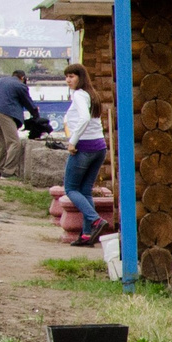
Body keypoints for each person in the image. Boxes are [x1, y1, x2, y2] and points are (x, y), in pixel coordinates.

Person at [58, 64, 108, 243]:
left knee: (70, 188)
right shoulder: (91, 94)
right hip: (99, 147)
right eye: (66, 77)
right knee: (85, 190)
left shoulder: (79, 94)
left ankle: (95, 220)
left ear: (81, 77)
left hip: (84, 147)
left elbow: (84, 118)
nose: (68, 80)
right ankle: (87, 235)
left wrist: (72, 141)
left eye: (72, 76)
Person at [0, 66, 41, 180]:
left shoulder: (1, 80)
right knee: (14, 143)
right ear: (22, 78)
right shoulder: (20, 85)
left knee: (1, 143)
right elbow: (28, 102)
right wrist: (36, 115)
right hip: (5, 113)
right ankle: (8, 172)